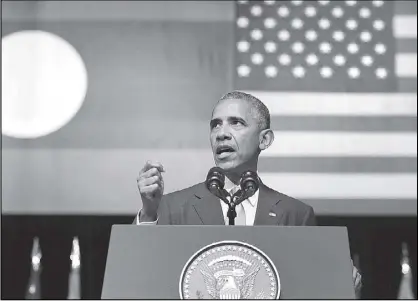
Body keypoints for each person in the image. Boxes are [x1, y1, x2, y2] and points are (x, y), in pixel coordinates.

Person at [134, 91, 362, 296]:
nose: (221, 133)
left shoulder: (295, 214)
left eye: (236, 123)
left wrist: (338, 286)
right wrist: (148, 213)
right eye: (215, 125)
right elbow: (140, 274)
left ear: (265, 139)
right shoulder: (173, 207)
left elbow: (306, 289)